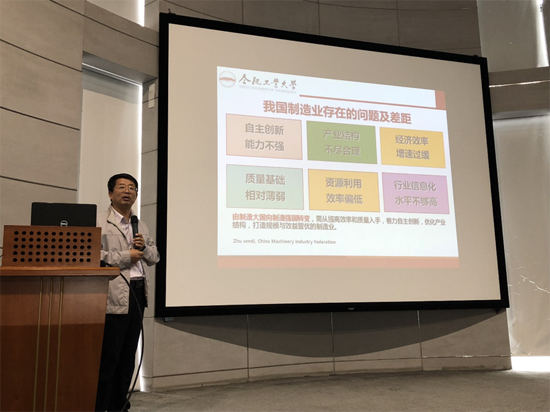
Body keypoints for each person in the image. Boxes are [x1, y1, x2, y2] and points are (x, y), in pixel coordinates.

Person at [95, 173, 160, 412]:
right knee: (109, 356)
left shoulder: (139, 223)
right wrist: (126, 256)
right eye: (121, 187)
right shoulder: (99, 221)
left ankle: (119, 405)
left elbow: (154, 256)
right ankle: (100, 406)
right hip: (113, 295)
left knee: (128, 355)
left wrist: (143, 249)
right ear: (110, 193)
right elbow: (93, 255)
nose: (127, 191)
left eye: (132, 188)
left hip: (138, 294)